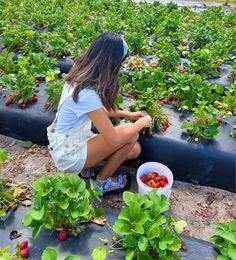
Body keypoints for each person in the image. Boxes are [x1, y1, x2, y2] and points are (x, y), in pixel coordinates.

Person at [47, 32, 152, 196]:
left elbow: (97, 111)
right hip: (69, 154)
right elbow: (114, 139)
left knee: (134, 149)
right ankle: (101, 184)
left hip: (69, 141)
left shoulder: (79, 72)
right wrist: (141, 123)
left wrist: (129, 114)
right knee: (130, 135)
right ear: (112, 63)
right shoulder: (86, 93)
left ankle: (85, 169)